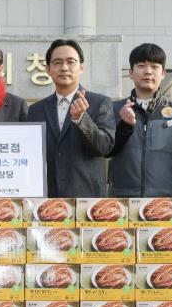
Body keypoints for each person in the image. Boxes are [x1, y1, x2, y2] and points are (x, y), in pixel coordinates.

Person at [108, 43, 172, 197]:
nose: (148, 71)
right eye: (141, 66)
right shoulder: (114, 110)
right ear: (131, 72)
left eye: (154, 66)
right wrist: (124, 126)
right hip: (123, 202)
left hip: (166, 203)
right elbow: (105, 151)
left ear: (163, 73)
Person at [27, 39, 115, 197]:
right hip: (47, 197)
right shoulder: (36, 110)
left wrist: (82, 120)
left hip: (86, 199)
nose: (64, 68)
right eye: (57, 62)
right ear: (48, 69)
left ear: (81, 67)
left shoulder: (100, 103)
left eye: (70, 62)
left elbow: (105, 147)